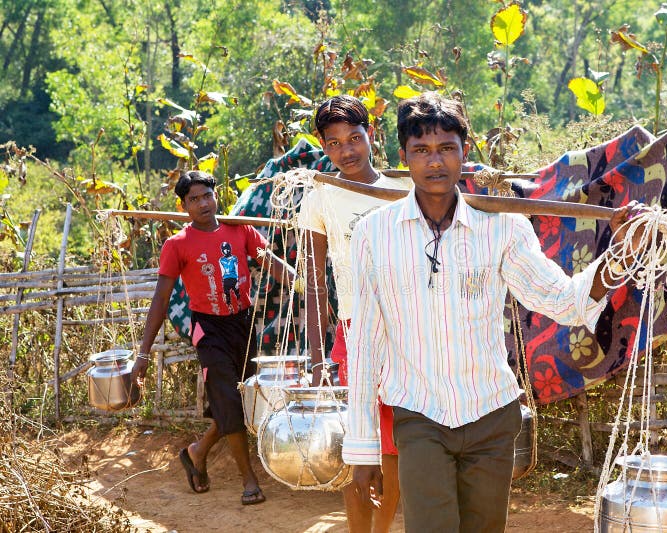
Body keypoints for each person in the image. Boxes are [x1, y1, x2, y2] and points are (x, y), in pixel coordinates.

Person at [342, 91, 640, 532]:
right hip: (418, 415)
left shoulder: (501, 227)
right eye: (421, 151)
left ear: (465, 152)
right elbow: (365, 343)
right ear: (404, 157)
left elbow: (564, 301)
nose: (435, 162)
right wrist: (363, 451)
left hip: (490, 415)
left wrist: (620, 254)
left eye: (447, 148)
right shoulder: (373, 234)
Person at [132, 170, 281, 506]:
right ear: (183, 206)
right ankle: (249, 481)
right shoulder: (177, 245)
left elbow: (270, 262)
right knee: (229, 400)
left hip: (242, 325)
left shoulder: (239, 229)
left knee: (241, 402)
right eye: (194, 199)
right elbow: (161, 299)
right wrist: (143, 354)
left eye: (207, 196)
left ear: (217, 197)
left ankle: (196, 452)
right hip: (208, 331)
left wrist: (303, 282)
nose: (203, 203)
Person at [297, 94, 405, 532]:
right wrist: (315, 352)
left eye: (354, 138)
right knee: (361, 449)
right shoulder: (320, 198)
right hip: (355, 335)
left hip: (407, 334)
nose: (347, 150)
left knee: (397, 449)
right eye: (335, 143)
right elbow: (315, 282)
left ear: (370, 135)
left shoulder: (403, 192)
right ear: (324, 147)